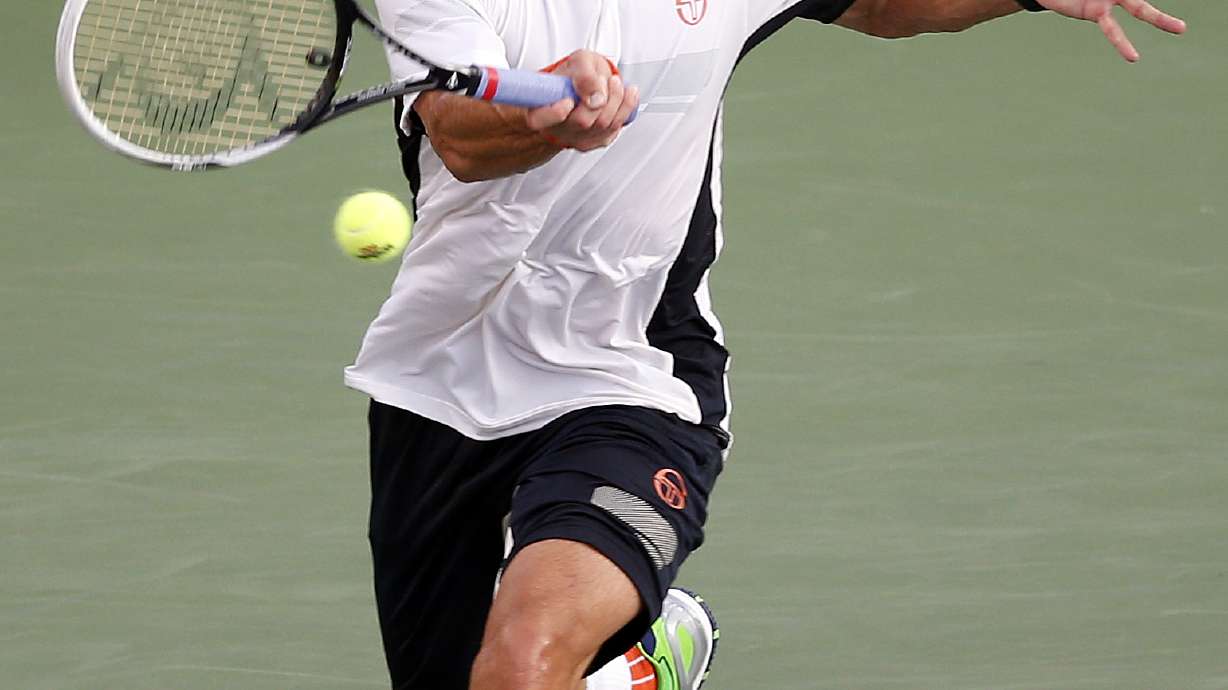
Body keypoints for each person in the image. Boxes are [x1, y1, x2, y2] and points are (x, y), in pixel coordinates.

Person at [345, 0, 1185, 688]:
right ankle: (636, 672)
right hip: (438, 383)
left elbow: (887, 7)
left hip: (633, 378)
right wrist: (551, 110)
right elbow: (460, 132)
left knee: (523, 670)